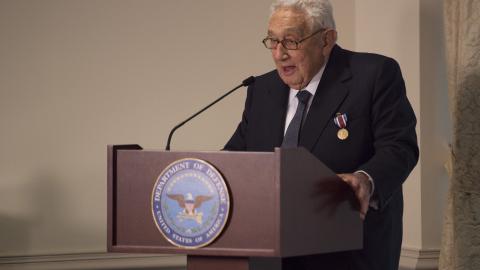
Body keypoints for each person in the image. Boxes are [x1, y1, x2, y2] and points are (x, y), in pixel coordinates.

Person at [224, 0, 419, 269]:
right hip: (270, 253)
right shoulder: (262, 89)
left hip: (348, 251)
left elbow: (399, 147)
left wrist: (365, 180)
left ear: (326, 40)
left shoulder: (373, 75)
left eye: (291, 41)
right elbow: (236, 157)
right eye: (273, 41)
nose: (279, 54)